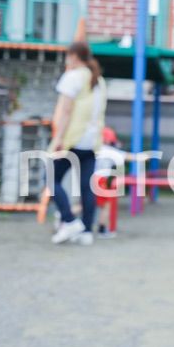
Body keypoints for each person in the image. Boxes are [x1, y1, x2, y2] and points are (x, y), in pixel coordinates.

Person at [48, 41, 107, 246]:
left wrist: (58, 139)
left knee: (51, 178)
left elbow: (65, 111)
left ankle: (69, 220)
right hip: (92, 141)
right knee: (86, 187)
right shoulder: (98, 79)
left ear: (73, 56)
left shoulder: (72, 77)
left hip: (73, 138)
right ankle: (86, 232)